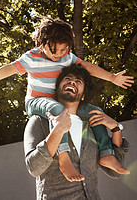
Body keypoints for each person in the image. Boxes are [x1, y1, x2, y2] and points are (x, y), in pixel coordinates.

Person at [0, 17, 132, 181]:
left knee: (96, 112)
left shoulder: (67, 56)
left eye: (63, 50)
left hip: (59, 103)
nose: (59, 55)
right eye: (55, 51)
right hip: (36, 102)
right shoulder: (31, 58)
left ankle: (106, 154)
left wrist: (112, 78)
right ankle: (63, 157)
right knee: (58, 109)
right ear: (43, 43)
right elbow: (9, 68)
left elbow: (87, 67)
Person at [24, 63, 130, 199]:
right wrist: (57, 131)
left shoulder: (92, 125)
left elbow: (115, 172)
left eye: (78, 81)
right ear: (57, 88)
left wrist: (116, 129)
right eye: (67, 79)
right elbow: (34, 168)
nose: (72, 82)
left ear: (83, 95)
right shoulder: (39, 122)